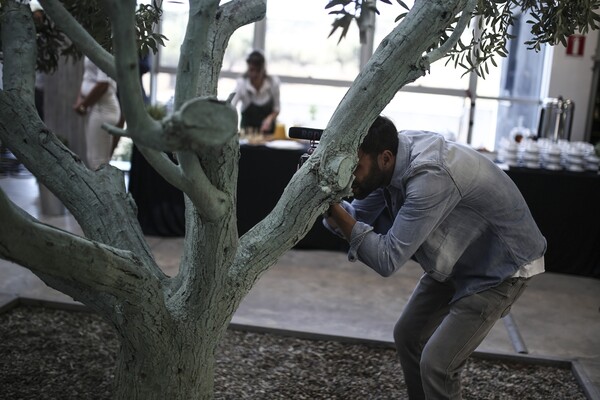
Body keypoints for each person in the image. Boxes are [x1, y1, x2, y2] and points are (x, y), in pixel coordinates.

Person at [323, 116, 546, 399]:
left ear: (385, 158)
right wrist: (324, 200)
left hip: (502, 267)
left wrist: (333, 208)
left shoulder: (428, 177)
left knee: (438, 365)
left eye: (356, 168)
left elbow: (387, 259)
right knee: (408, 335)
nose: (351, 175)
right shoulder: (388, 159)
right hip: (458, 256)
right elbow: (354, 218)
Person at [73, 56, 120, 169]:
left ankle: (102, 186)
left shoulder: (104, 45)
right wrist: (81, 101)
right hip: (94, 107)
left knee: (98, 160)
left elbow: (103, 84)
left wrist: (84, 104)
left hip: (103, 108)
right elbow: (88, 76)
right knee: (92, 157)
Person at [231, 50, 280, 134]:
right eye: (251, 70)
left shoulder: (273, 83)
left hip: (268, 136)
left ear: (263, 69)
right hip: (246, 136)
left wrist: (269, 119)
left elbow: (277, 108)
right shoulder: (242, 84)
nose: (254, 74)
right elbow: (231, 106)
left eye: (258, 71)